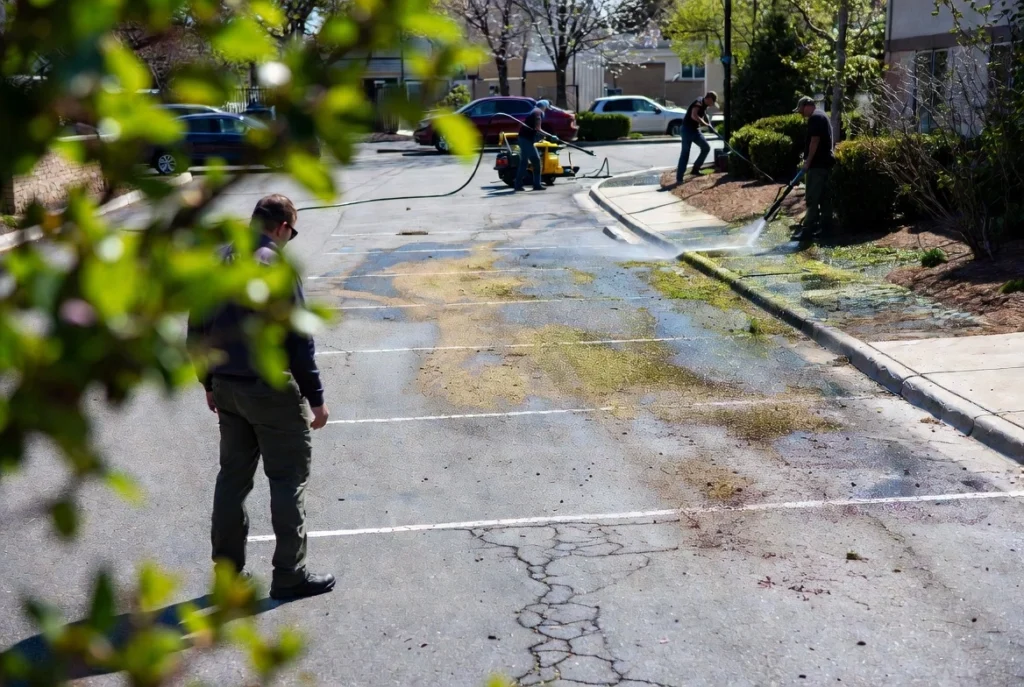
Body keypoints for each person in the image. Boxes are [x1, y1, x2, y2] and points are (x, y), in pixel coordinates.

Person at [187, 194, 335, 601]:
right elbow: (298, 341)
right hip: (269, 389)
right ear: (283, 227)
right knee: (287, 479)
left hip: (227, 387)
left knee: (232, 479)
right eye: (293, 231)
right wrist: (316, 398)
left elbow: (195, 327)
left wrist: (207, 383)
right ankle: (289, 575)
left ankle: (227, 576)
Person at [793, 96, 835, 241]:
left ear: (806, 106)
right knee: (824, 197)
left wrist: (807, 162)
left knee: (812, 197)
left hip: (817, 165)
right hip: (825, 163)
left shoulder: (815, 118)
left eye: (800, 111)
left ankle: (807, 230)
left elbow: (814, 140)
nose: (801, 114)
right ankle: (826, 228)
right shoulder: (822, 115)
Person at [677, 91, 718, 185]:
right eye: (713, 102)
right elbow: (694, 115)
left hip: (695, 130)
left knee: (706, 147)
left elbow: (704, 115)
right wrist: (705, 124)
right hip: (687, 130)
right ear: (709, 99)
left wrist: (710, 125)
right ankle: (679, 178)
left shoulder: (704, 105)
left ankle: (695, 169)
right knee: (685, 153)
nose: (712, 105)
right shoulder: (698, 102)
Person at [515, 99, 551, 192]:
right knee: (536, 161)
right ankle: (537, 185)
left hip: (523, 138)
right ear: (544, 106)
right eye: (546, 108)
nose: (546, 110)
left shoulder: (533, 111)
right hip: (526, 140)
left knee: (524, 163)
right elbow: (538, 128)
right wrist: (550, 136)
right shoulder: (538, 113)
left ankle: (518, 185)